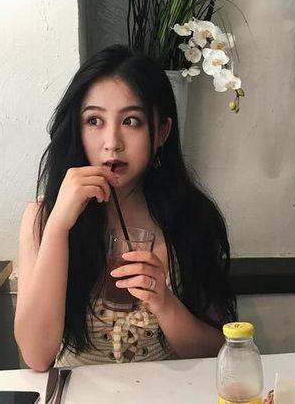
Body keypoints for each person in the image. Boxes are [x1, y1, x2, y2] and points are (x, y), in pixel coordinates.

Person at [14, 44, 237, 371]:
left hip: (170, 390)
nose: (112, 142)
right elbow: (37, 356)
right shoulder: (42, 217)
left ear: (161, 132)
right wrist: (58, 227)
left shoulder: (192, 217)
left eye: (131, 121)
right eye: (94, 120)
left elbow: (218, 352)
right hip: (78, 391)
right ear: (77, 129)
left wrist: (165, 303)